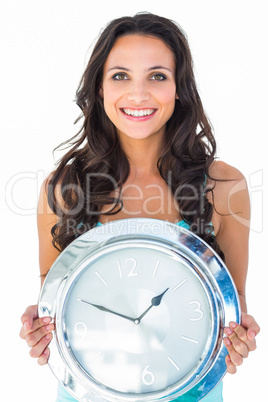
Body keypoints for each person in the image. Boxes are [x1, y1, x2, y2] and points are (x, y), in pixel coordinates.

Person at [20, 12, 260, 402]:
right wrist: (38, 328)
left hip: (190, 391)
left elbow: (234, 303)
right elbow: (55, 302)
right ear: (99, 88)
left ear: (179, 88)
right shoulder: (63, 188)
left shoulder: (223, 186)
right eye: (120, 76)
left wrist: (239, 337)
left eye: (157, 76)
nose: (138, 94)